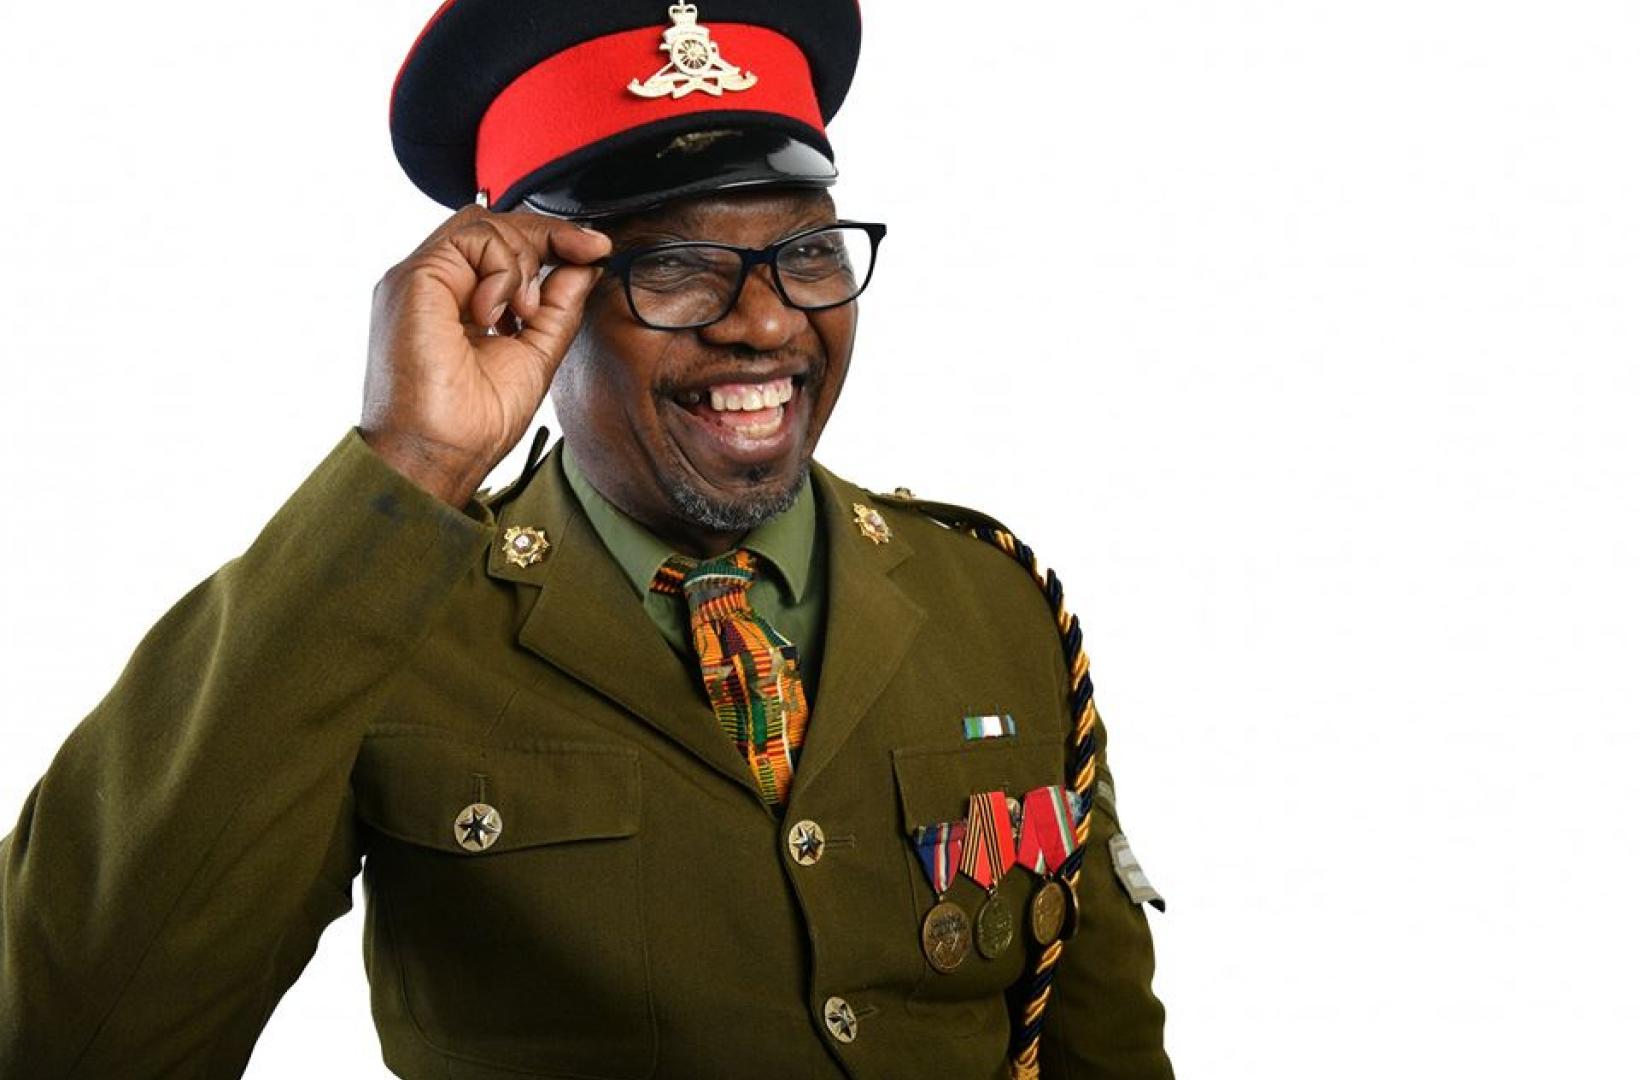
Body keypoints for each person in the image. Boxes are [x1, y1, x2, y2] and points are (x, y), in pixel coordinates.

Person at [0, 2, 1171, 1077]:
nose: (767, 323)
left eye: (806, 253)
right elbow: (72, 1035)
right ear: (526, 299)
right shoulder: (375, 627)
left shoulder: (992, 603)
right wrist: (412, 464)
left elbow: (1101, 1051)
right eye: (675, 267)